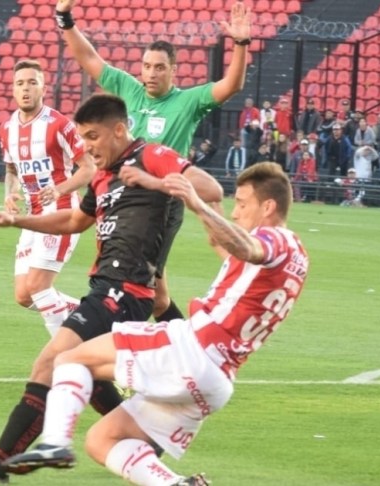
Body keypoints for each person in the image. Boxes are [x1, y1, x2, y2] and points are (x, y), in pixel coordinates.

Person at [0, 94, 224, 486]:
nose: (87, 146)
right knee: (83, 373)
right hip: (108, 290)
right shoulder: (104, 175)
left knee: (52, 362)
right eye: (83, 138)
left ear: (120, 130)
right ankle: (146, 451)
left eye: (93, 136)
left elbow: (209, 189)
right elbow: (75, 220)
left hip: (123, 293)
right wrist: (16, 220)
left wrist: (152, 181)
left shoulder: (152, 156)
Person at [3, 162, 309, 486]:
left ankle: (55, 444)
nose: (236, 213)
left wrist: (194, 201)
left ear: (269, 206)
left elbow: (246, 247)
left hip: (193, 350)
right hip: (216, 381)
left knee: (69, 358)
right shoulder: (297, 256)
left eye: (243, 204)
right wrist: (203, 203)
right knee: (101, 441)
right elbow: (224, 244)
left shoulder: (273, 239)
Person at [53, 0, 251, 322]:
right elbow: (87, 57)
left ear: (174, 70)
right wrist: (64, 18)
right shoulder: (129, 90)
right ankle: (180, 351)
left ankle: (114, 345)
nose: (151, 73)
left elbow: (232, 85)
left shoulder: (188, 101)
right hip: (121, 197)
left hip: (160, 201)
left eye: (159, 67)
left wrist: (240, 43)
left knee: (133, 288)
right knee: (156, 298)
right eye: (146, 66)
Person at [0, 59, 96, 338]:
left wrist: (60, 189)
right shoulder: (7, 129)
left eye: (32, 82)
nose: (25, 88)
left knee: (39, 287)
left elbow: (88, 168)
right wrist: (10, 193)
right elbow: (11, 169)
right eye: (20, 83)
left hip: (62, 212)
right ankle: (94, 318)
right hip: (32, 216)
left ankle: (62, 358)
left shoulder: (59, 125)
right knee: (24, 295)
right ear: (13, 89)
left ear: (44, 87)